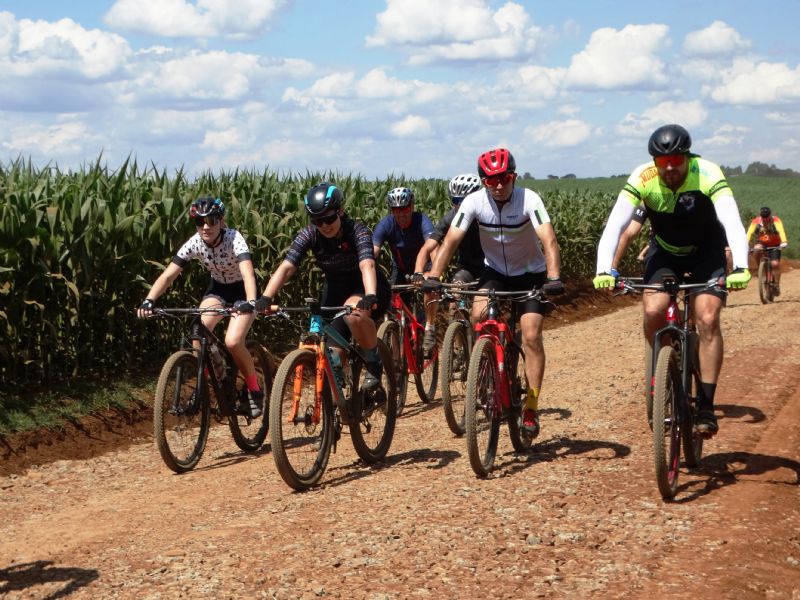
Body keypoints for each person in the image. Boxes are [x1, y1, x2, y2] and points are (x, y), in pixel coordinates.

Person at [593, 124, 751, 436]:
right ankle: (664, 365)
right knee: (654, 310)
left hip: (707, 252)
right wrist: (603, 269)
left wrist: (741, 266)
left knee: (707, 318)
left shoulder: (707, 173)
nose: (668, 168)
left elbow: (731, 219)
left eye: (675, 161)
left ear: (687, 158)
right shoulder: (642, 177)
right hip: (665, 252)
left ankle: (706, 405)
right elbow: (616, 225)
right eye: (662, 162)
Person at [422, 148, 564, 438]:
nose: (498, 185)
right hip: (496, 273)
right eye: (490, 180)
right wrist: (434, 276)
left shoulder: (529, 199)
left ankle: (530, 408)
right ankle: (487, 367)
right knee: (477, 315)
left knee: (531, 335)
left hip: (530, 274)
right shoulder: (474, 202)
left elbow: (549, 240)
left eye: (504, 178)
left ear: (514, 176)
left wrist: (553, 277)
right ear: (483, 182)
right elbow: (450, 241)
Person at [137, 196, 263, 418]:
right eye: (199, 222)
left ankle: (254, 390)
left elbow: (248, 274)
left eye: (212, 221)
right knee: (198, 333)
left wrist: (251, 302)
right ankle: (207, 384)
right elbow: (168, 276)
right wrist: (149, 300)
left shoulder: (234, 238)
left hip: (242, 291)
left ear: (221, 221)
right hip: (218, 290)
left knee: (233, 341)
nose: (206, 227)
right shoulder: (194, 242)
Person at [256, 182, 391, 391]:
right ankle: (341, 402)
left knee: (354, 315)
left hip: (366, 286)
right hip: (336, 290)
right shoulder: (310, 234)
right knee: (331, 356)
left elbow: (367, 264)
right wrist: (266, 297)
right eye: (318, 221)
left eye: (329, 218)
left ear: (341, 211)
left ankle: (373, 363)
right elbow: (287, 267)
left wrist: (370, 294)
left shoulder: (357, 230)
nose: (325, 225)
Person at [372, 187, 438, 357]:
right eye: (396, 210)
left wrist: (434, 273)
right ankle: (396, 353)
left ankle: (429, 328)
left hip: (424, 268)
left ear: (412, 207)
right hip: (401, 269)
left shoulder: (421, 220)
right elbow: (373, 251)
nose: (401, 214)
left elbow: (432, 246)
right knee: (392, 305)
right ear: (391, 210)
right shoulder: (386, 224)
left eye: (405, 209)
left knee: (430, 288)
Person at [747, 206, 789, 294]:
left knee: (775, 264)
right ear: (760, 216)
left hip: (775, 245)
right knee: (756, 249)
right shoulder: (756, 221)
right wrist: (745, 244)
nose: (765, 219)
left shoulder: (776, 220)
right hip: (762, 243)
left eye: (767, 217)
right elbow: (749, 233)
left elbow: (781, 231)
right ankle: (760, 267)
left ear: (770, 215)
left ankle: (776, 284)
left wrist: (784, 241)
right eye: (763, 217)